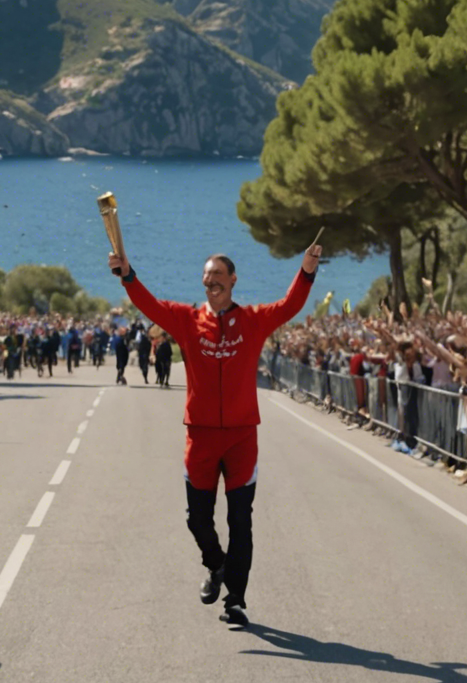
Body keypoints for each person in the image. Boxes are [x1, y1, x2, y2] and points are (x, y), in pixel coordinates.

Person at [111, 242, 319, 627]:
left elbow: (290, 305)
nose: (211, 283)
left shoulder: (254, 320)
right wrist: (128, 274)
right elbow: (150, 305)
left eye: (218, 277)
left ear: (233, 280)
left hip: (241, 438)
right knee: (197, 519)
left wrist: (306, 270)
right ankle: (216, 564)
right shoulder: (186, 320)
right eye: (207, 278)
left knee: (241, 520)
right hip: (201, 437)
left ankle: (236, 599)